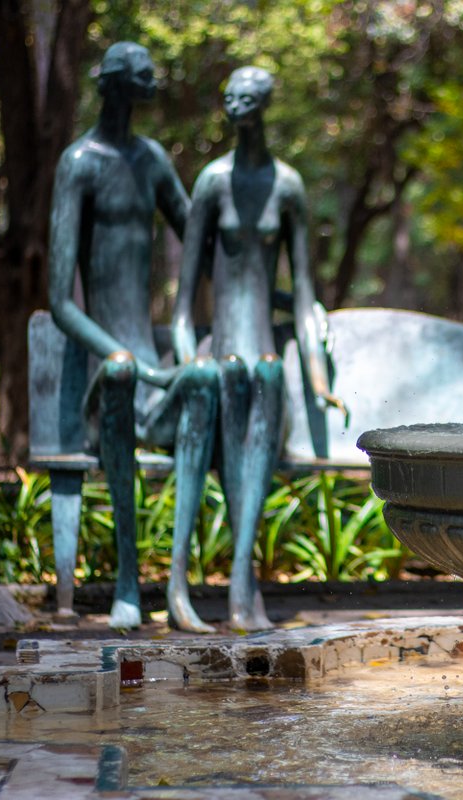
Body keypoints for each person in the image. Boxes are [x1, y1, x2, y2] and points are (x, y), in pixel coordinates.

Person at [48, 42, 219, 632]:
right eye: (143, 75)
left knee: (203, 379)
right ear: (116, 83)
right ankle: (127, 580)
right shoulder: (79, 163)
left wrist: (281, 295)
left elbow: (202, 244)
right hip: (105, 378)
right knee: (121, 371)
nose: (153, 83)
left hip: (150, 374)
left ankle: (177, 586)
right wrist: (122, 356)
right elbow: (59, 302)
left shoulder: (151, 161)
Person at [174, 66, 344, 631]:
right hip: (220, 357)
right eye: (229, 97)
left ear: (263, 105)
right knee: (233, 374)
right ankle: (236, 588)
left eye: (245, 98)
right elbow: (182, 307)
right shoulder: (212, 182)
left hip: (266, 359)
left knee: (266, 374)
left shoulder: (288, 186)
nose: (234, 106)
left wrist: (318, 379)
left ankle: (242, 586)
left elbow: (303, 295)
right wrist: (188, 364)